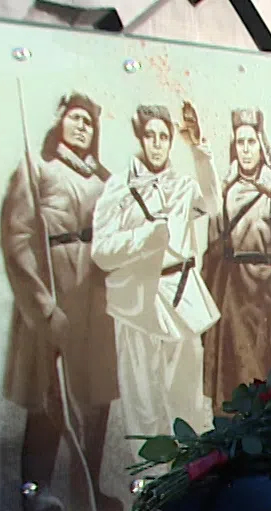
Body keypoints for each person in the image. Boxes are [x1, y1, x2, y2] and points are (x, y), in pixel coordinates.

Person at [0, 92, 117, 511]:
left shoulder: (103, 180)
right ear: (60, 121)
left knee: (95, 398)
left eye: (90, 121)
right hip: (52, 300)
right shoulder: (37, 170)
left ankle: (88, 487)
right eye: (75, 118)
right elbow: (16, 241)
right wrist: (45, 307)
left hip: (94, 304)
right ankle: (37, 489)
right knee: (51, 396)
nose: (82, 126)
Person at [90, 103, 220, 486]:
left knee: (188, 398)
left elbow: (212, 203)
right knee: (143, 399)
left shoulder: (182, 186)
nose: (158, 144)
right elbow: (101, 251)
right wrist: (145, 238)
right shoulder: (119, 187)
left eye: (164, 136)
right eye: (151, 135)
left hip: (181, 297)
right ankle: (150, 482)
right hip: (138, 302)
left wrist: (199, 152)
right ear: (140, 137)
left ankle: (193, 477)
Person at [200, 108, 271, 409]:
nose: (245, 150)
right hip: (231, 300)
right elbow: (213, 248)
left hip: (264, 303)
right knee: (230, 388)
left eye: (251, 142)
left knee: (262, 386)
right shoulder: (224, 192)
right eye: (240, 143)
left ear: (261, 145)